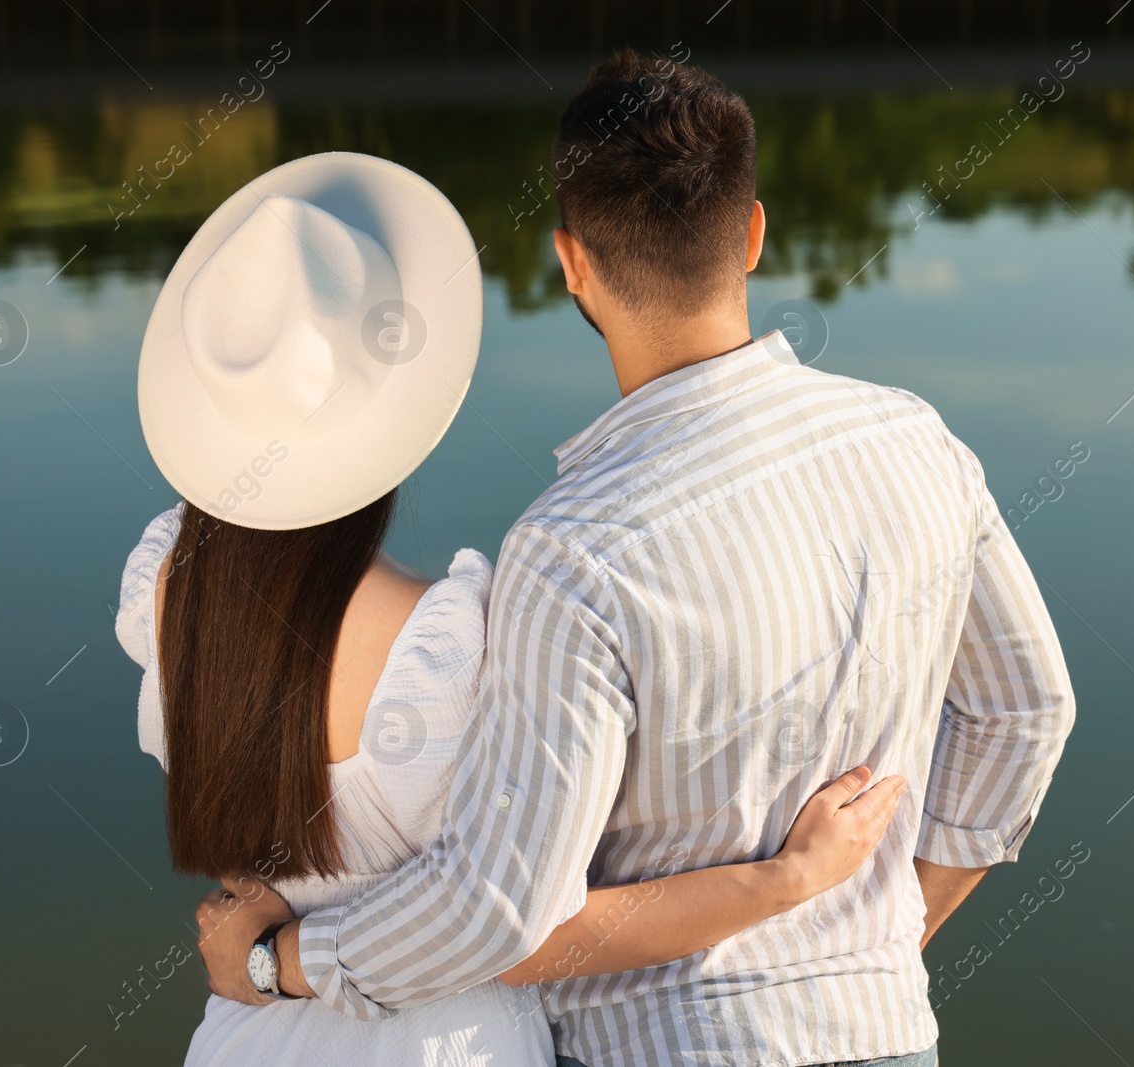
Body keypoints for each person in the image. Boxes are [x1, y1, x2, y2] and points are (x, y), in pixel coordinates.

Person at [196, 52, 1076, 1066]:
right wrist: (883, 941)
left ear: (571, 261)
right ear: (751, 233)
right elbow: (1025, 710)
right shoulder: (915, 442)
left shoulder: (574, 549)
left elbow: (497, 904)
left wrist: (278, 960)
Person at [121, 147, 907, 1066]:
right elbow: (519, 926)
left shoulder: (171, 592)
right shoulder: (446, 639)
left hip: (246, 1038)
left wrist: (264, 959)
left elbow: (256, 844)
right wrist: (784, 879)